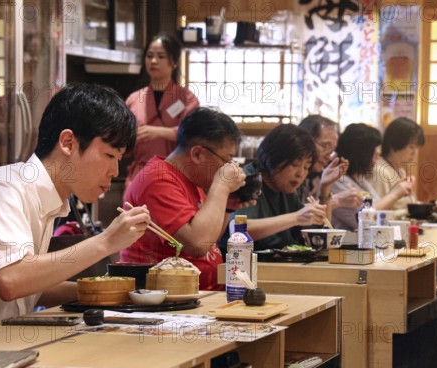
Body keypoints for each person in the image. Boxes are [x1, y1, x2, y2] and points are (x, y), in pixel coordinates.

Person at [0, 83, 151, 327]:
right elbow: (12, 280)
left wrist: (115, 293)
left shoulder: (49, 199)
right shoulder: (2, 188)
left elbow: (32, 285)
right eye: (110, 156)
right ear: (68, 143)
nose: (114, 171)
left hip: (1, 349)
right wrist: (106, 241)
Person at [121, 107, 251, 291]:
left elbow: (209, 240)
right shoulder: (157, 180)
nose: (229, 167)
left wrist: (228, 206)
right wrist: (221, 186)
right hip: (168, 300)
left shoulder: (193, 179)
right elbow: (197, 245)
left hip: (201, 295)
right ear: (197, 154)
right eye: (227, 160)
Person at [220, 124, 328, 252]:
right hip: (240, 266)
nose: (300, 174)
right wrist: (296, 218)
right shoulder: (248, 180)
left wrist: (326, 188)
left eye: (306, 167)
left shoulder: (287, 188)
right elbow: (239, 229)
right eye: (295, 164)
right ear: (274, 157)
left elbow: (314, 232)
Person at [125, 32, 200, 184]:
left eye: (161, 56)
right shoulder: (134, 99)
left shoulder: (187, 99)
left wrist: (159, 132)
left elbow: (195, 136)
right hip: (140, 177)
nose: (153, 61)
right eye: (149, 55)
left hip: (177, 176)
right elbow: (123, 144)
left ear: (174, 62)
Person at [331, 123, 414, 230]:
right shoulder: (337, 180)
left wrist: (396, 190)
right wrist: (396, 193)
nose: (377, 160)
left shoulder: (359, 178)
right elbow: (364, 220)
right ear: (362, 154)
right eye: (375, 155)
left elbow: (376, 206)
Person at [297, 115, 360, 213]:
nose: (329, 156)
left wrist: (326, 187)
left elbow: (323, 225)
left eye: (332, 150)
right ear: (305, 141)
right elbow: (291, 213)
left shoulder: (320, 175)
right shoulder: (292, 173)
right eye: (325, 146)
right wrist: (336, 200)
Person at [371, 117, 424, 210]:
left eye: (417, 147)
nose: (415, 152)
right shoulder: (381, 171)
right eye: (411, 147)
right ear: (394, 144)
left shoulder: (400, 170)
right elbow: (377, 212)